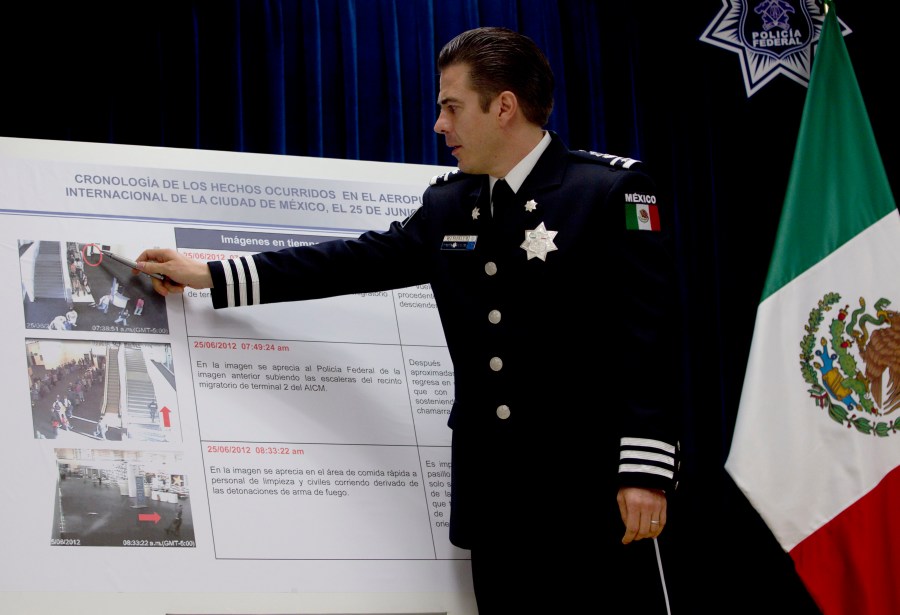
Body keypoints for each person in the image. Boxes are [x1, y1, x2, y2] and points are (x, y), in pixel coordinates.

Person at [135, 26, 681, 614]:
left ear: (503, 107)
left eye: (451, 107)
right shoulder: (451, 204)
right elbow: (350, 263)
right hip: (494, 498)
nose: (439, 125)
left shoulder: (608, 191)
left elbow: (648, 340)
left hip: (590, 494)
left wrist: (645, 472)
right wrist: (210, 275)